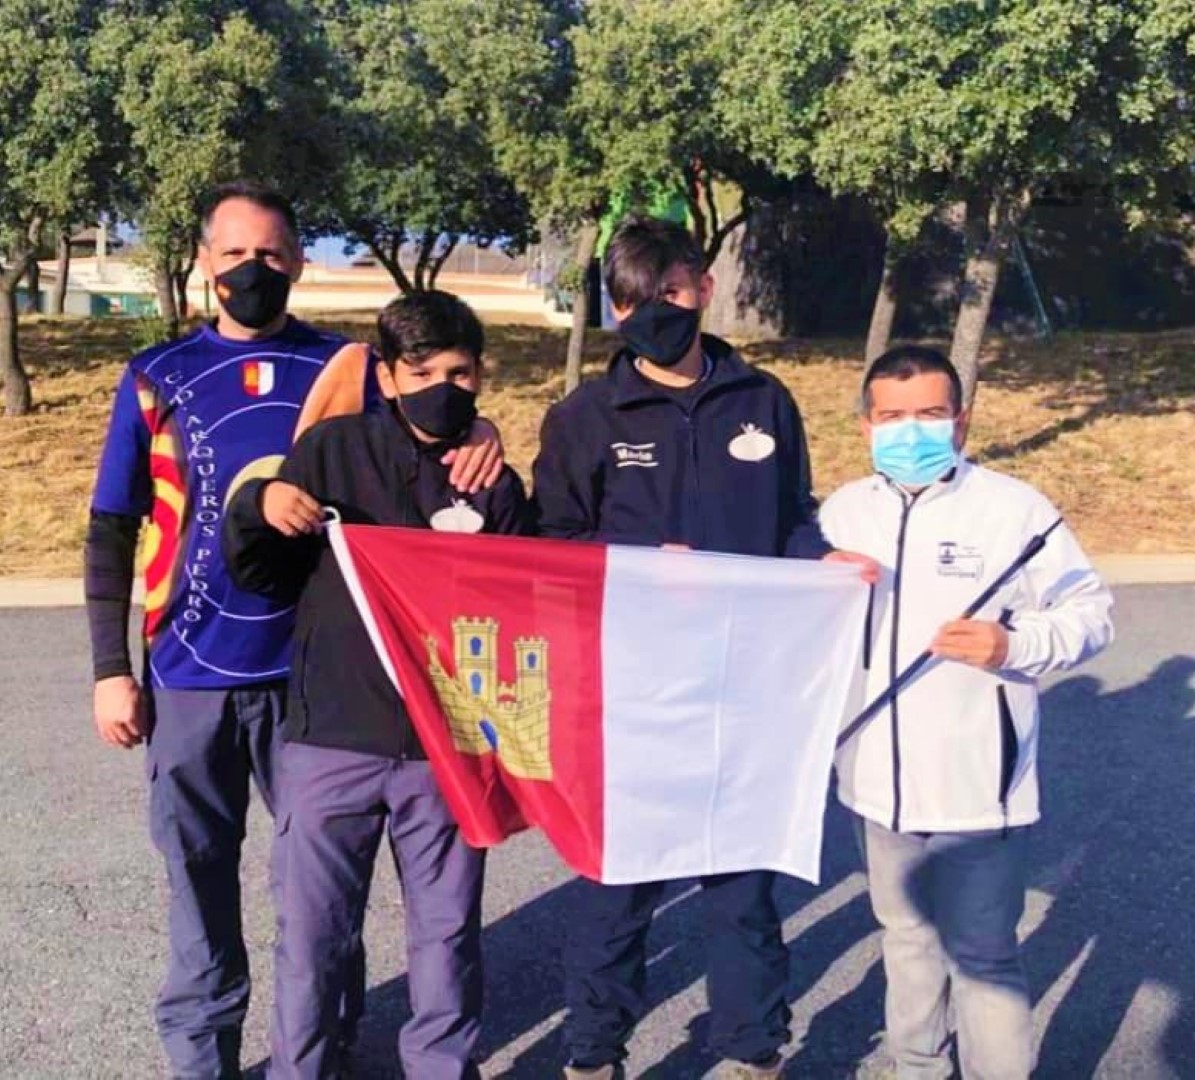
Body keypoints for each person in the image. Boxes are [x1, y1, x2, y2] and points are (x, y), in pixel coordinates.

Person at [84, 182, 501, 1078]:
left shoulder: (346, 368)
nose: (252, 270)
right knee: (199, 881)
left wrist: (484, 429)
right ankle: (203, 1057)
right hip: (191, 668)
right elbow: (113, 524)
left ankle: (325, 1050)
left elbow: (427, 418)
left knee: (321, 907)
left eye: (271, 253)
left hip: (318, 690)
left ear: (299, 260)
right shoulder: (157, 373)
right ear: (203, 261)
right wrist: (108, 667)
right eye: (233, 254)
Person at [533, 215, 862, 1080]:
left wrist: (826, 560)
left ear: (704, 288)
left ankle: (754, 1052)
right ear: (618, 305)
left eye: (671, 294)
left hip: (745, 688)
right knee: (617, 891)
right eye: (635, 301)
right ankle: (592, 1056)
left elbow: (792, 519)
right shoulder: (583, 416)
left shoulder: (764, 401)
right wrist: (639, 568)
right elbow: (552, 549)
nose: (656, 312)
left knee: (742, 893)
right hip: (629, 697)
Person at [222, 290, 530, 1079]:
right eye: (423, 371)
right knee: (313, 939)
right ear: (388, 377)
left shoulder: (492, 481)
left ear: (481, 376)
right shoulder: (331, 451)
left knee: (447, 935)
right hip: (332, 738)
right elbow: (261, 575)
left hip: (446, 748)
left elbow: (527, 606)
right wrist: (260, 504)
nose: (444, 387)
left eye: (460, 373)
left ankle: (441, 1068)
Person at [818, 345, 1114, 1080]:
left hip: (976, 783)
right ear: (865, 426)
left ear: (961, 419)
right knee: (905, 938)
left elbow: (1091, 613)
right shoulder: (841, 511)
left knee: (982, 956)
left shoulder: (1014, 510)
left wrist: (1012, 643)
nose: (908, 431)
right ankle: (914, 1066)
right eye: (891, 416)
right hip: (873, 781)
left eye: (928, 413)